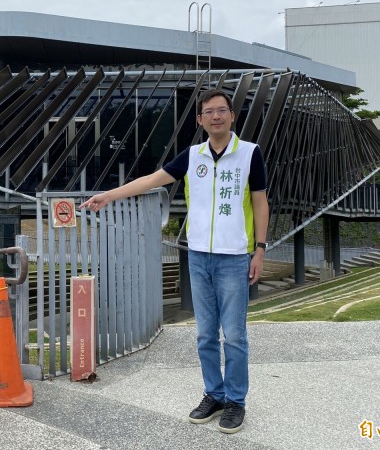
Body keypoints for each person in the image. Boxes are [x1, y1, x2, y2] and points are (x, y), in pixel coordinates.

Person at [80, 89, 269, 434]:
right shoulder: (192, 156)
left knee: (236, 336)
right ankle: (214, 394)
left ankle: (236, 402)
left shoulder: (250, 154)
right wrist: (108, 195)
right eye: (209, 112)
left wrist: (260, 248)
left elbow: (260, 202)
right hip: (198, 256)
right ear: (200, 120)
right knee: (206, 335)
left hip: (234, 258)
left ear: (231, 116)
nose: (216, 116)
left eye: (221, 110)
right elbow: (152, 180)